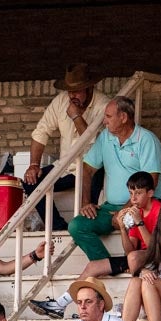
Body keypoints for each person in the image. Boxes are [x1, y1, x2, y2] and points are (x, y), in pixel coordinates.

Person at [29, 158, 161, 321]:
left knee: (134, 257)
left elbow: (154, 247)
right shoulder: (135, 212)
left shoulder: (160, 210)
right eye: (131, 193)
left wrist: (139, 222)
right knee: (93, 266)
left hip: (154, 257)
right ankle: (60, 304)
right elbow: (130, 250)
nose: (133, 198)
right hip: (136, 260)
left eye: (138, 193)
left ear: (150, 193)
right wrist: (122, 228)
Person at [23, 63, 110, 230]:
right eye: (70, 91)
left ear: (89, 88)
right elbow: (41, 132)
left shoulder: (103, 105)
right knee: (31, 182)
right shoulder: (61, 100)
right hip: (65, 167)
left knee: (89, 207)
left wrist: (76, 116)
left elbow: (93, 143)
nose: (72, 95)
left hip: (91, 169)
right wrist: (34, 165)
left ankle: (86, 229)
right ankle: (58, 227)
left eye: (77, 91)